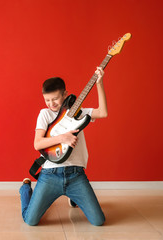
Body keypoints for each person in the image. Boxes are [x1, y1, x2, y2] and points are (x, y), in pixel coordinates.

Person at [20, 67, 107, 226]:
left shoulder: (79, 113)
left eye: (55, 99)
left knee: (98, 221)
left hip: (76, 174)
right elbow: (37, 143)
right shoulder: (45, 114)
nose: (51, 103)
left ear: (65, 94)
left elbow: (102, 113)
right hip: (50, 174)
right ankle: (25, 189)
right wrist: (62, 137)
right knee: (30, 220)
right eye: (47, 100)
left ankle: (73, 197)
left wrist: (99, 83)